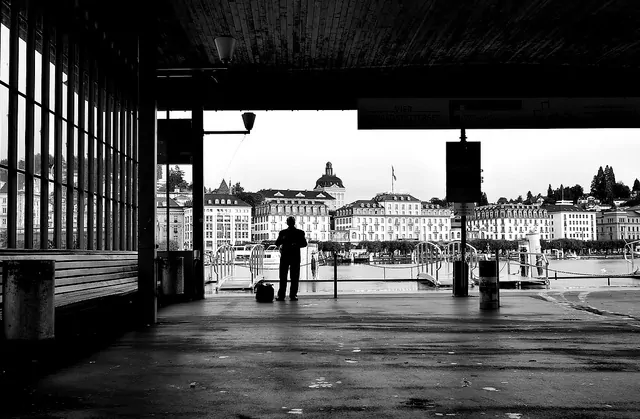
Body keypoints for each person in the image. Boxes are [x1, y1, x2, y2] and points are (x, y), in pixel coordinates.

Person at [275, 216, 308, 301]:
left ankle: (282, 295)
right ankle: (293, 295)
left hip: (285, 256)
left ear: (287, 223)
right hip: (295, 256)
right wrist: (296, 245)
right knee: (294, 277)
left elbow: (277, 243)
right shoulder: (300, 232)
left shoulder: (283, 232)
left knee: (283, 277)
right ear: (294, 222)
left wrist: (283, 240)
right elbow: (304, 244)